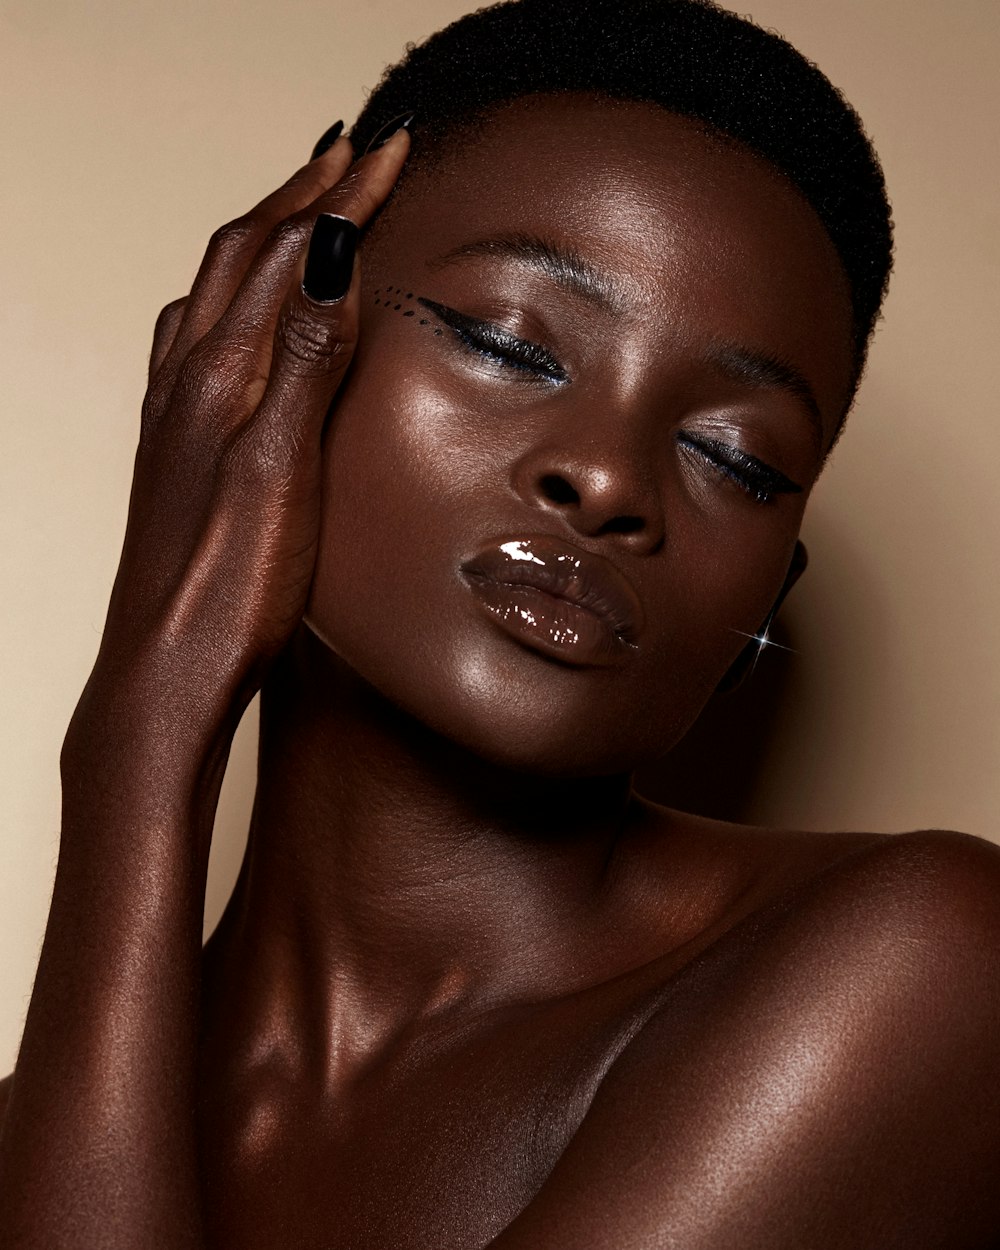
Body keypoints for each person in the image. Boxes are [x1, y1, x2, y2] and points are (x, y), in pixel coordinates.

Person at [1, 0, 998, 1245]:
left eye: (733, 460)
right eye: (506, 343)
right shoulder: (33, 1142)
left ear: (768, 597)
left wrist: (131, 752)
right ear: (266, 355)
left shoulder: (923, 966)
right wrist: (148, 717)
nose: (613, 479)